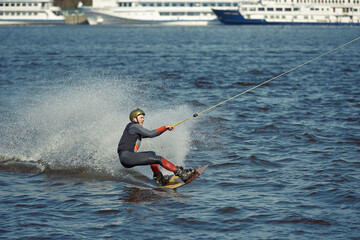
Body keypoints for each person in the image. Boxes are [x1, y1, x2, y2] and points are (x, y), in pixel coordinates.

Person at [117, 108, 195, 185]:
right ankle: (181, 174)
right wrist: (165, 127)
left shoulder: (134, 130)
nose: (143, 119)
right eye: (141, 117)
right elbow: (151, 134)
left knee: (152, 154)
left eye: (143, 118)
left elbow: (151, 134)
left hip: (127, 157)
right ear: (134, 118)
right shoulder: (134, 126)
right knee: (158, 159)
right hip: (127, 156)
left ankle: (159, 177)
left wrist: (166, 129)